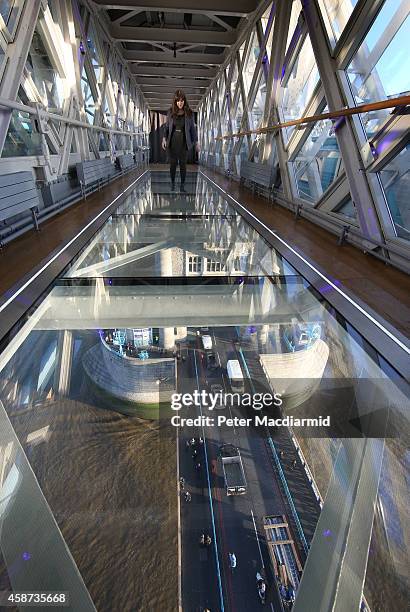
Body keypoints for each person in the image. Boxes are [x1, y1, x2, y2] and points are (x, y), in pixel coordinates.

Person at [162, 89, 199, 193]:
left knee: (183, 164)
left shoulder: (189, 113)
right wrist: (164, 139)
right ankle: (172, 184)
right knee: (172, 164)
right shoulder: (170, 112)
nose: (180, 103)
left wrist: (196, 142)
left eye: (182, 101)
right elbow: (167, 128)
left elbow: (192, 129)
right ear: (175, 101)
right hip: (172, 143)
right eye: (178, 101)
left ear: (185, 101)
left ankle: (182, 185)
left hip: (184, 143)